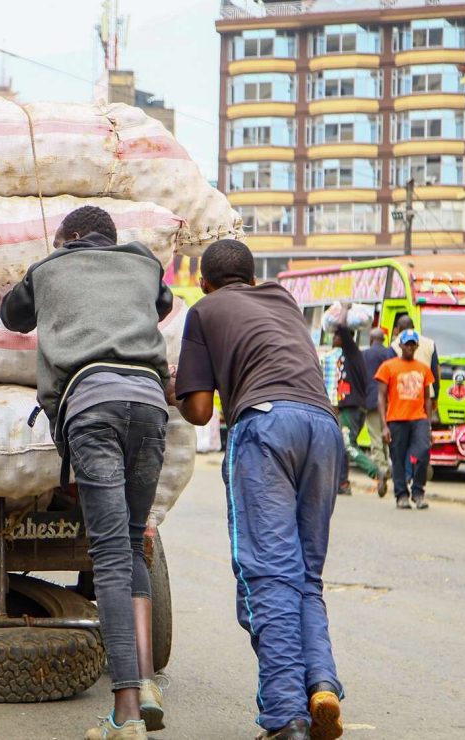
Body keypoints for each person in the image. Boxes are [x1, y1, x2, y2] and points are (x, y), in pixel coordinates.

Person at [0, 206, 172, 740]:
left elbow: (12, 317)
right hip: (150, 406)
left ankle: (127, 714)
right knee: (132, 541)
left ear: (66, 238)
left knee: (111, 555)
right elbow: (161, 303)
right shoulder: (142, 262)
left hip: (92, 408)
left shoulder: (48, 268)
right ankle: (145, 682)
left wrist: (14, 285)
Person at [174, 239, 343, 740]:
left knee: (269, 575)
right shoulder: (282, 298)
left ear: (204, 281)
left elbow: (201, 410)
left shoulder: (203, 310)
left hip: (266, 426)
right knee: (306, 576)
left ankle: (285, 716)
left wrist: (176, 390)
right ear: (250, 277)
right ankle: (321, 686)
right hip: (323, 426)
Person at [375, 330, 437, 510]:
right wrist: (384, 426)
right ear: (400, 346)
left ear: (417, 346)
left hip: (419, 419)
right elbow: (381, 397)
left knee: (422, 452)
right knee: (398, 457)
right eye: (407, 344)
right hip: (396, 419)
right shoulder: (388, 367)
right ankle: (401, 494)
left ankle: (418, 491)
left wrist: (428, 423)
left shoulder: (423, 368)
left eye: (413, 344)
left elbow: (427, 398)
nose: (410, 347)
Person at [324, 320, 377, 495]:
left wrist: (345, 309)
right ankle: (342, 484)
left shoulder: (353, 353)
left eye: (337, 336)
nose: (334, 338)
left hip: (353, 409)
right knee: (341, 445)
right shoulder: (347, 358)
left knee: (347, 445)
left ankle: (375, 471)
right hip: (350, 408)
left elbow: (343, 327)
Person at [361, 327, 395, 497]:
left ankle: (381, 471)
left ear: (370, 339)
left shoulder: (365, 355)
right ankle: (387, 467)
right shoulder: (390, 353)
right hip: (390, 400)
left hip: (372, 400)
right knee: (386, 435)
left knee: (375, 437)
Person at [394, 313, 440, 399]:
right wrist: (436, 394)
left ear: (398, 329)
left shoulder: (394, 345)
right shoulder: (430, 343)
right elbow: (436, 371)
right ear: (413, 327)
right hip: (426, 394)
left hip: (403, 396)